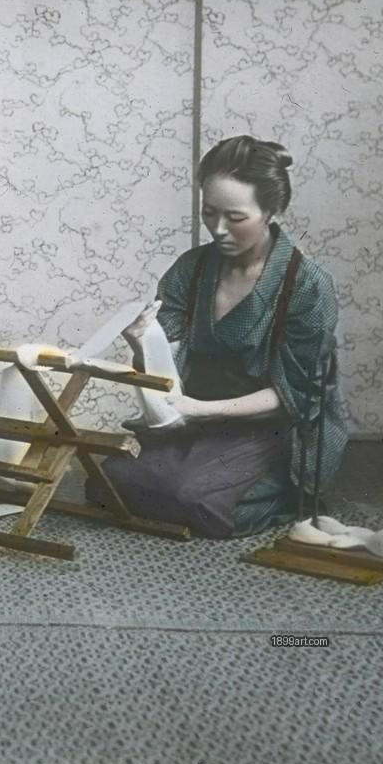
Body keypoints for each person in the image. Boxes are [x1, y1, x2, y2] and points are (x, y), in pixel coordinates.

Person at [90, 135, 347, 538]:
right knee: (108, 482)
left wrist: (199, 410)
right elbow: (168, 364)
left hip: (270, 427)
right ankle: (191, 473)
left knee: (190, 496)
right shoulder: (191, 269)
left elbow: (296, 394)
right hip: (195, 418)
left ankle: (287, 498)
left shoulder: (307, 285)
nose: (219, 229)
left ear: (272, 211)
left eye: (236, 217)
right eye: (210, 213)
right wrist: (145, 341)